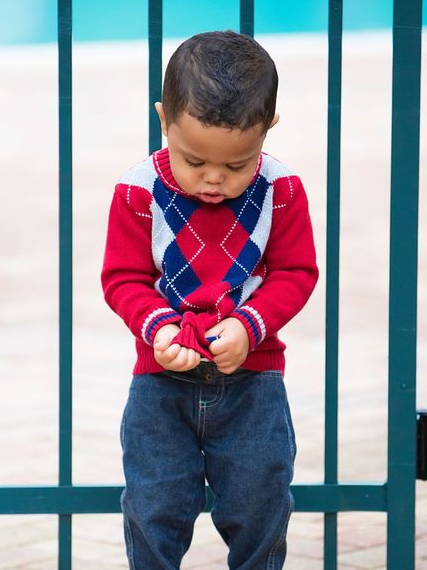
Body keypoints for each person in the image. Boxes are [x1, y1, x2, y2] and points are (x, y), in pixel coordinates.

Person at [101, 30, 318, 569]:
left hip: (253, 384)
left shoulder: (281, 189)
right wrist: (160, 329)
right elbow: (122, 278)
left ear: (268, 130)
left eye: (238, 165)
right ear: (163, 120)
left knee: (261, 503)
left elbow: (296, 272)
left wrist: (250, 326)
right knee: (154, 508)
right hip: (160, 384)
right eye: (193, 160)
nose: (214, 180)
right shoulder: (138, 191)